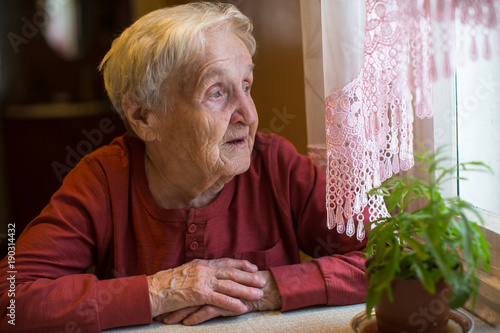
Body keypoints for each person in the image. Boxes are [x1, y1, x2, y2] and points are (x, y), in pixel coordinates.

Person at [0, 2, 369, 332]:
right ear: (143, 116)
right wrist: (160, 291)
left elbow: (397, 257)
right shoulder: (103, 180)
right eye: (216, 93)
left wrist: (269, 287)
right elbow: (11, 301)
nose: (249, 115)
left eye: (246, 86)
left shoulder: (276, 165)